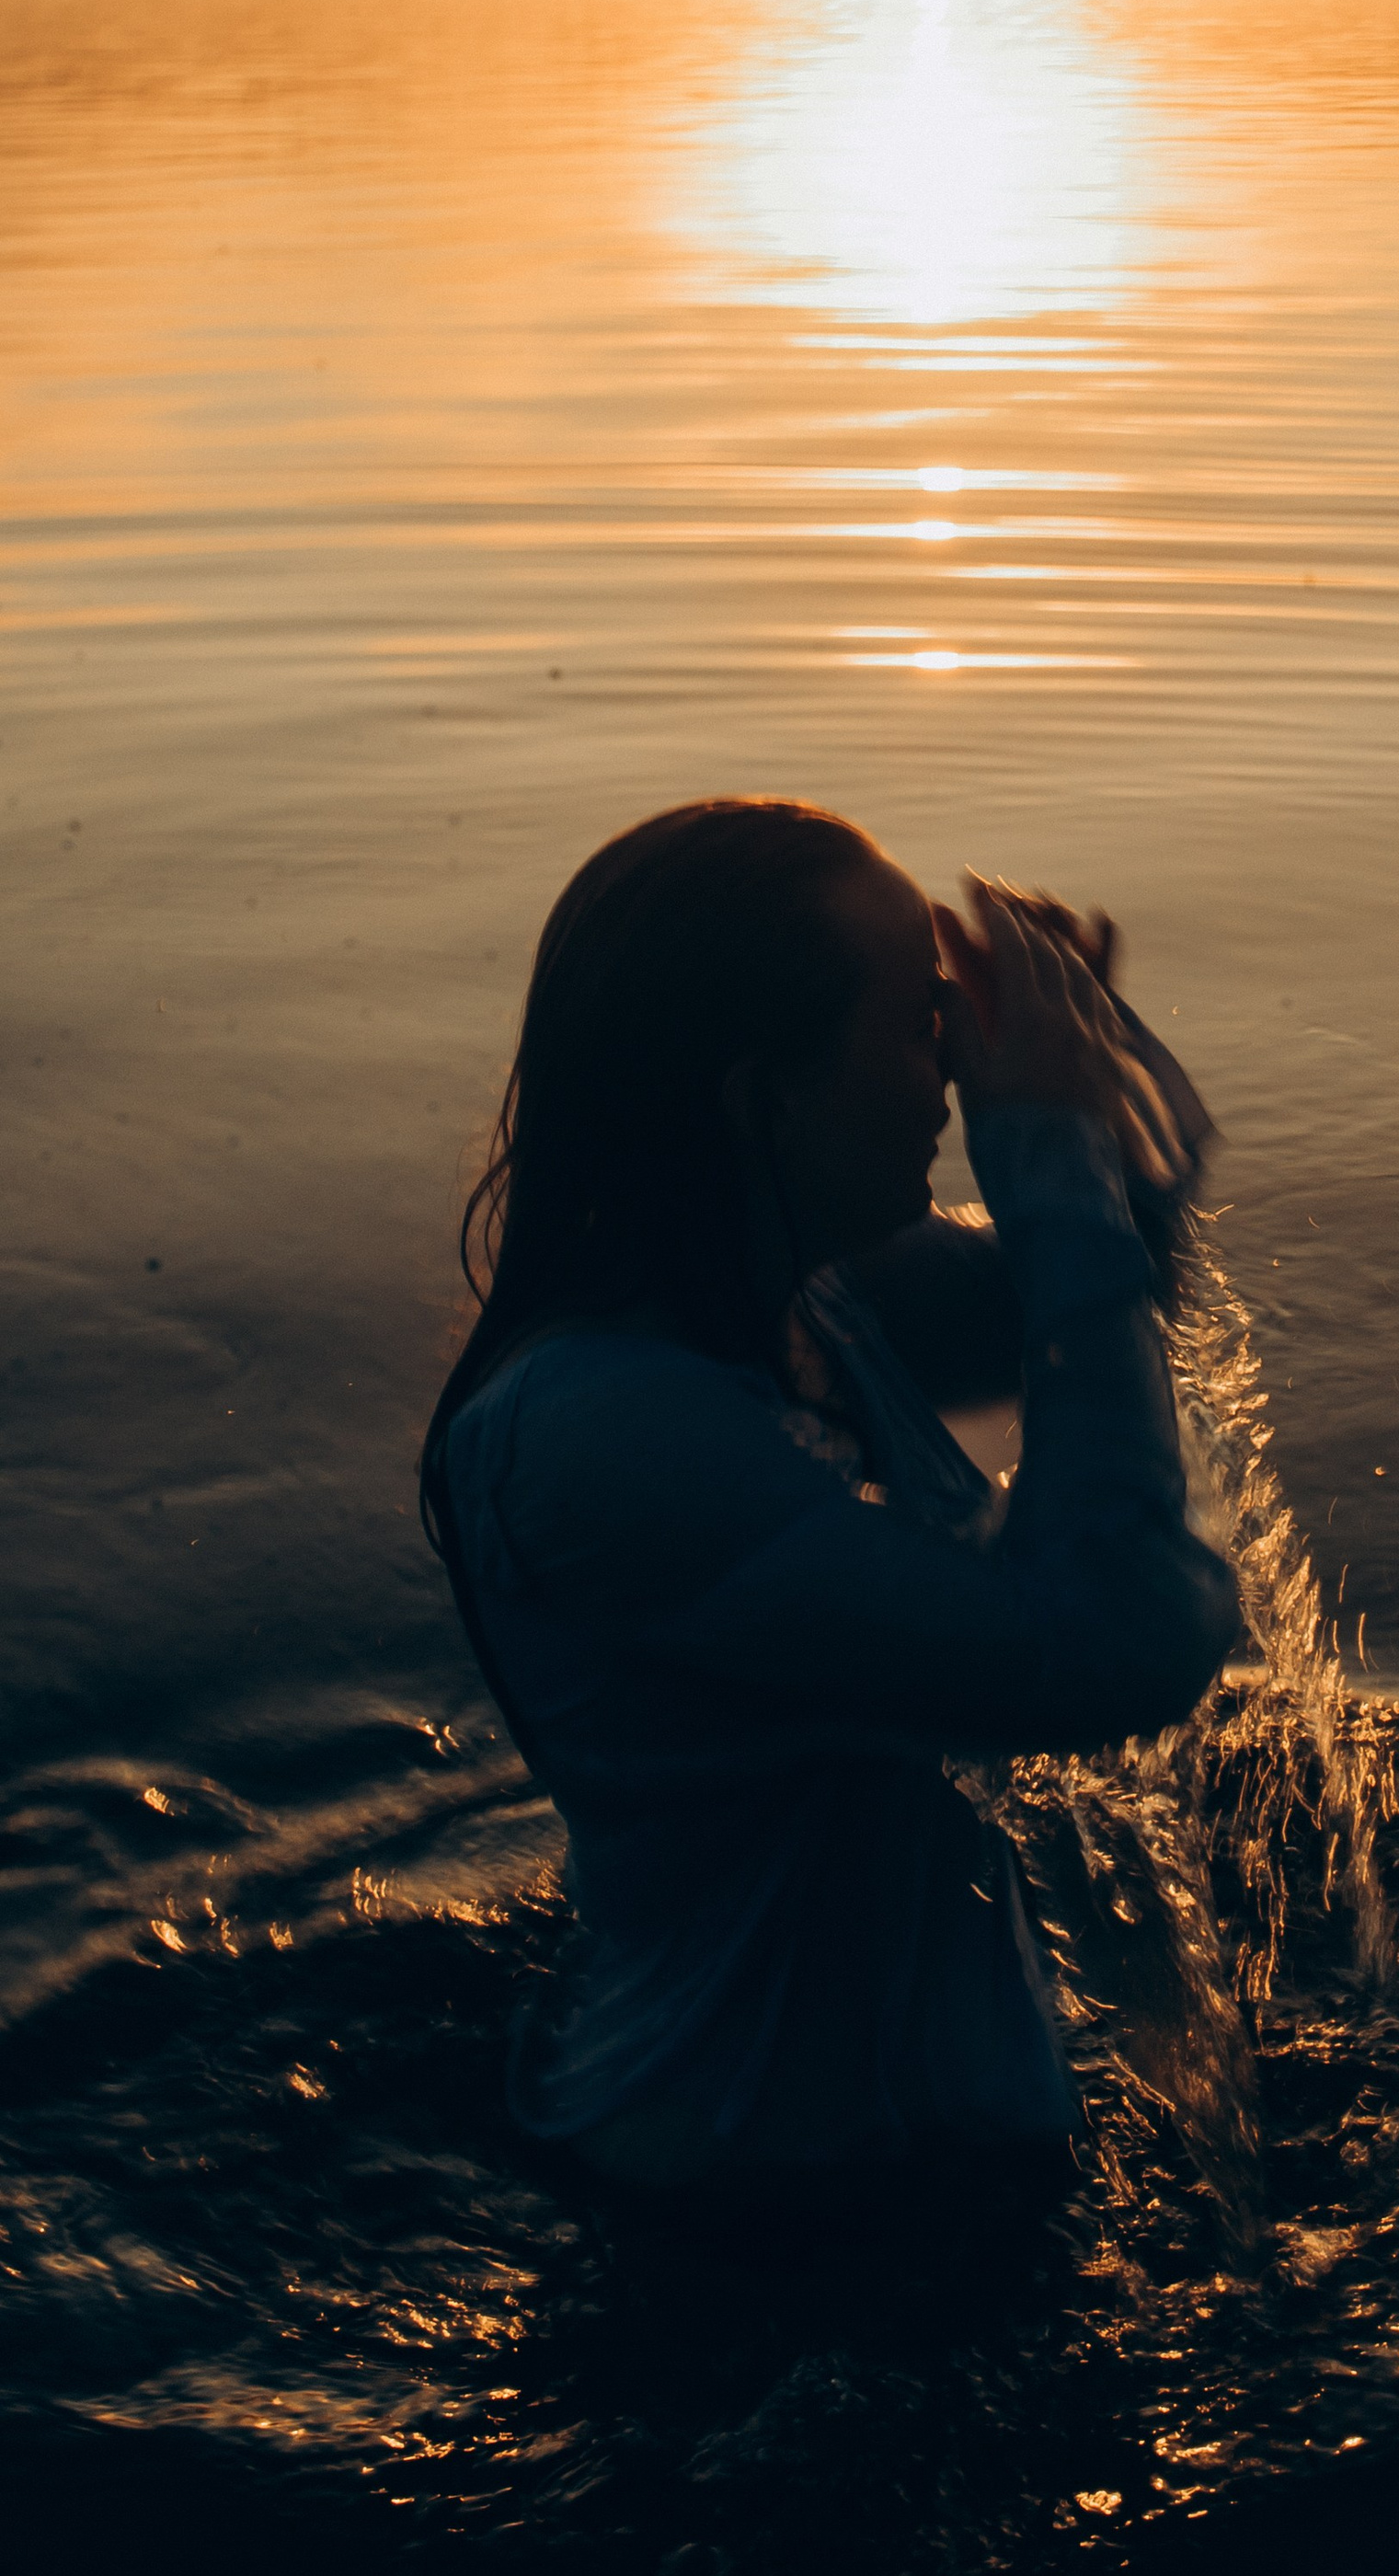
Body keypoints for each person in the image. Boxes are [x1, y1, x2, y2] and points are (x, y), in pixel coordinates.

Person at [419, 797, 1238, 2192]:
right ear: (765, 1095)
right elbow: (1119, 1638)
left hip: (892, 2160)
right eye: (920, 1029)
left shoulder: (808, 1305)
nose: (951, 1083)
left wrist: (1085, 1085)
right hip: (758, 2218)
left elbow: (1110, 1280)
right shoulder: (597, 1433)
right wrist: (1044, 1157)